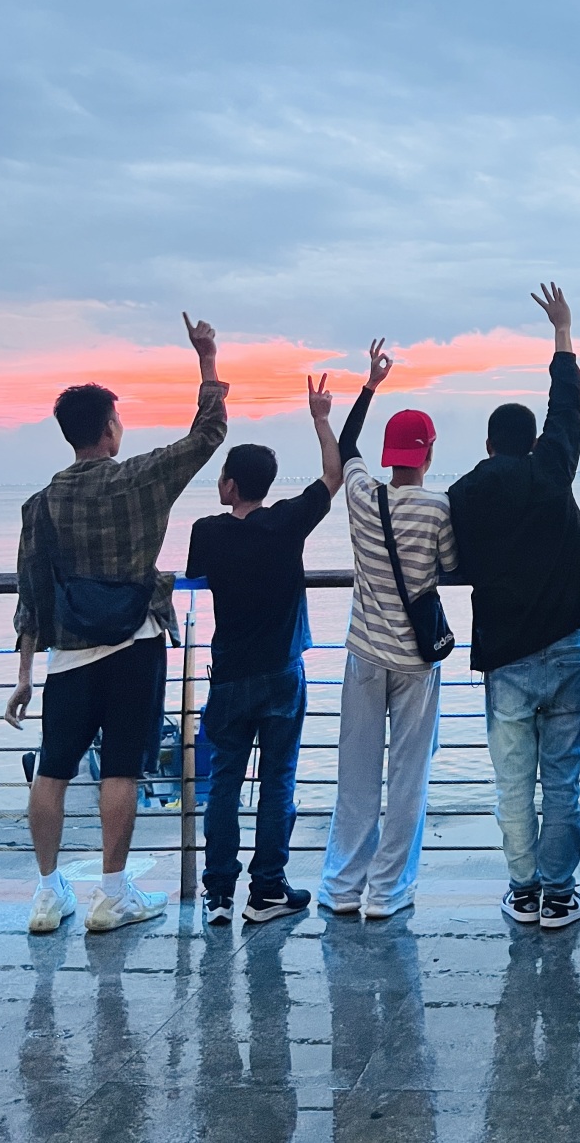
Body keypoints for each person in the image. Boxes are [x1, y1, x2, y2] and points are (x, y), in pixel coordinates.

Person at [7, 314, 228, 935]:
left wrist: (23, 675)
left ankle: (47, 895)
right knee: (122, 770)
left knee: (52, 770)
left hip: (70, 656)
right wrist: (206, 358)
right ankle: (111, 894)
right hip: (135, 645)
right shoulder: (138, 479)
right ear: (109, 430)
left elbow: (31, 597)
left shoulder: (40, 505)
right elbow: (208, 434)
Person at [448, 284, 580, 930]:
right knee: (561, 778)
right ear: (532, 440)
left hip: (506, 655)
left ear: (488, 444)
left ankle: (524, 888)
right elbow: (568, 408)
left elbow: (456, 558)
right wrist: (562, 333)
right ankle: (560, 893)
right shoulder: (551, 470)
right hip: (566, 645)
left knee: (512, 782)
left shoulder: (465, 492)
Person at [185, 374, 343, 926]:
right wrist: (321, 418)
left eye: (222, 477)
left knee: (225, 783)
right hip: (281, 671)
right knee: (278, 781)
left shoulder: (207, 531)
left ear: (231, 485)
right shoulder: (286, 522)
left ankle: (219, 895)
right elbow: (333, 475)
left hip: (230, 674)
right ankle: (268, 890)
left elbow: (197, 575)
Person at [318, 339, 458, 918]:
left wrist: (369, 386)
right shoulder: (437, 508)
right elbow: (449, 564)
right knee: (407, 776)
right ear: (427, 454)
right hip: (415, 662)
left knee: (355, 773)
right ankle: (388, 890)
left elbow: (346, 445)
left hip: (364, 652)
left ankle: (342, 886)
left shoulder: (361, 495)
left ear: (389, 454)